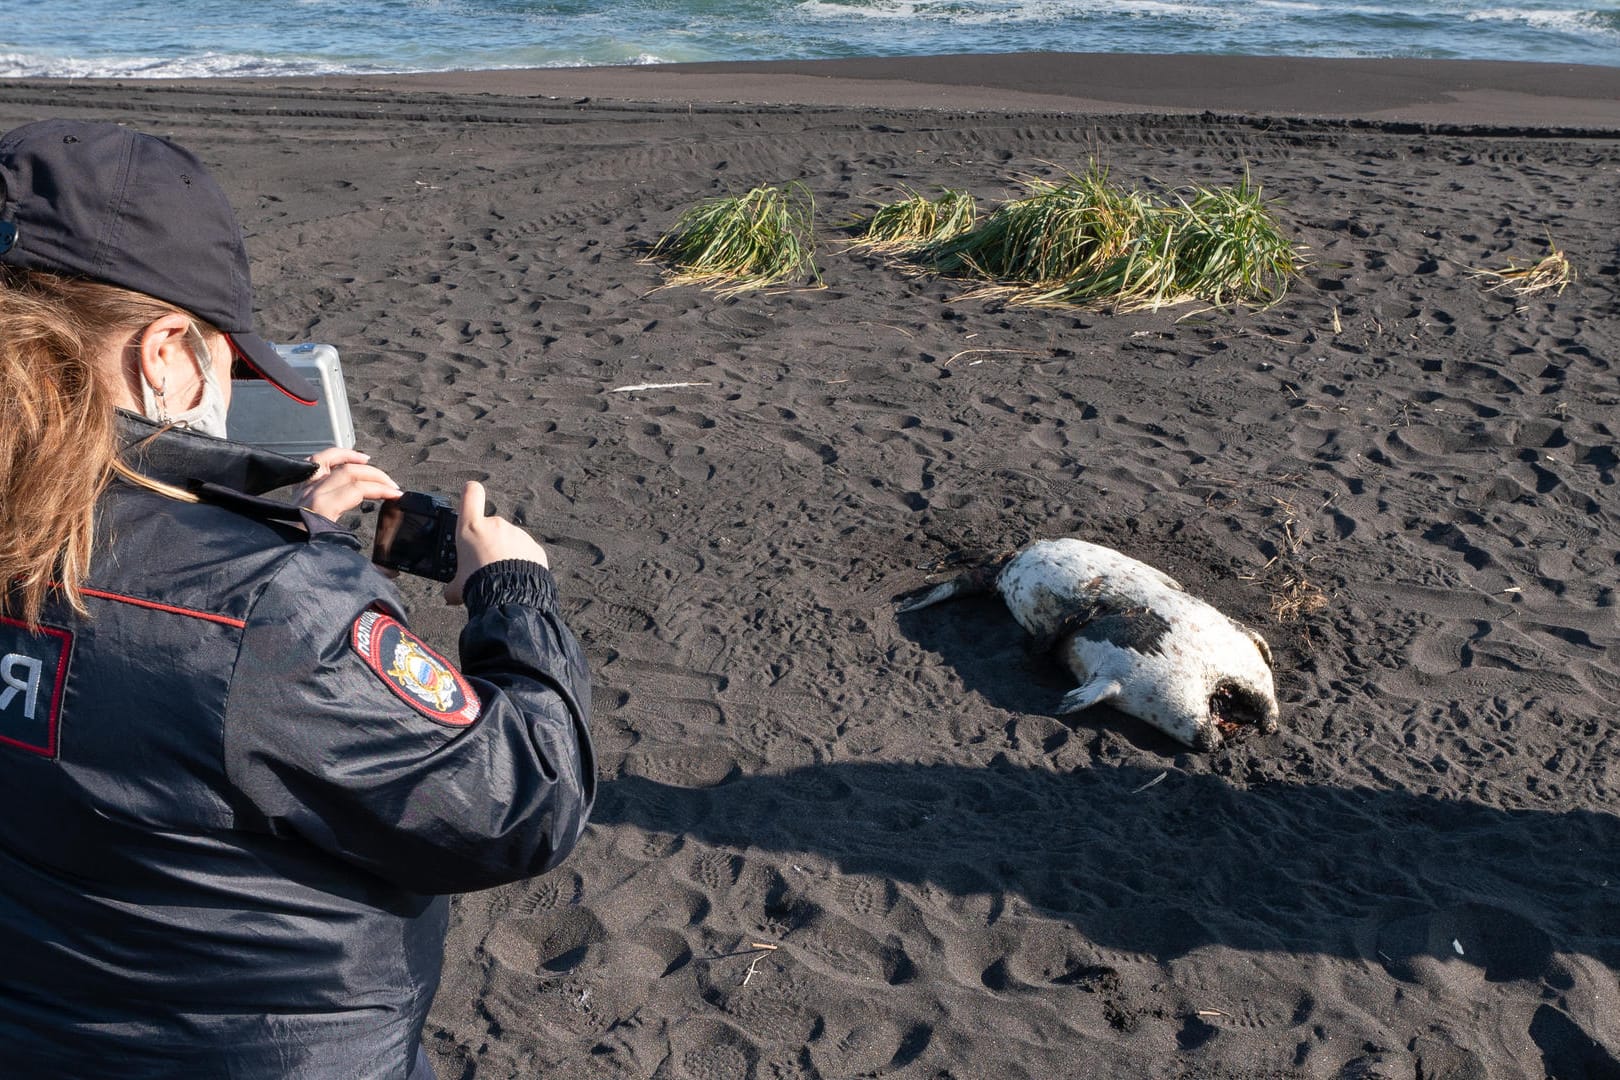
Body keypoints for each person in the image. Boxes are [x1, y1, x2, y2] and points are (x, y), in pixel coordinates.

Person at [0, 119, 595, 1078]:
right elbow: (518, 801)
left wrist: (277, 537)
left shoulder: (246, 595)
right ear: (165, 353)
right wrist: (513, 592)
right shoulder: (269, 608)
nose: (229, 390)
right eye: (229, 363)